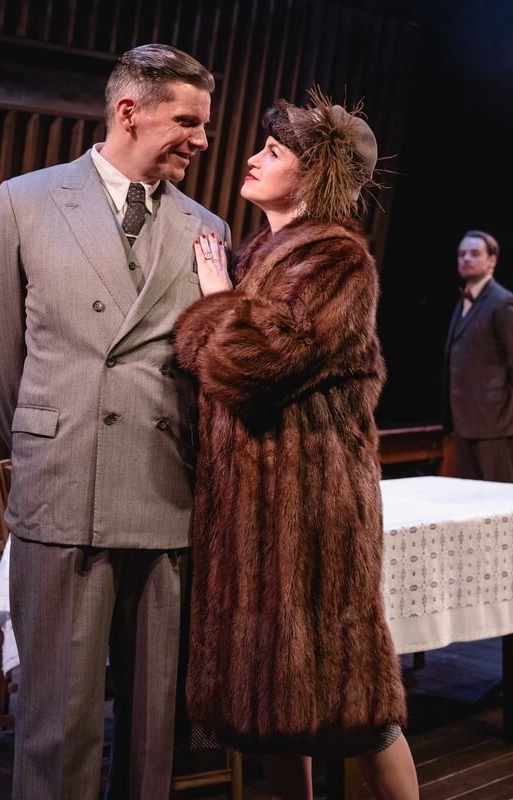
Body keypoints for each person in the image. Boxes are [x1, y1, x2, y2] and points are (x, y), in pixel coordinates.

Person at [0, 44, 229, 799]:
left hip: (161, 492)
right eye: (188, 121)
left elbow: (208, 367)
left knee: (151, 731)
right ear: (129, 112)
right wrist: (50, 440)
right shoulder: (26, 200)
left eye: (204, 125)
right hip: (64, 487)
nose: (202, 140)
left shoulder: (204, 227)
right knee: (57, 722)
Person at [173, 89, 419, 800]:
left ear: (312, 174)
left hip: (310, 518)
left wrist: (214, 297)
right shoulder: (260, 256)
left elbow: (247, 364)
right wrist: (225, 306)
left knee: (357, 710)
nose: (251, 158)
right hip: (252, 516)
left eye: (274, 152)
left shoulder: (337, 261)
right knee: (274, 713)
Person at [440, 230, 513, 483]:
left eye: (474, 253)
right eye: (461, 254)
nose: (466, 259)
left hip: (495, 421)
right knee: (467, 501)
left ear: (492, 260)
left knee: (499, 501)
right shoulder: (462, 302)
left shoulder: (503, 302)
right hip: (463, 419)